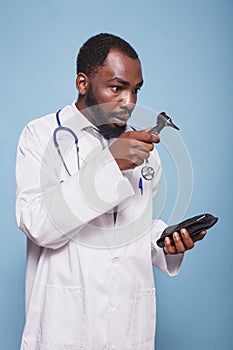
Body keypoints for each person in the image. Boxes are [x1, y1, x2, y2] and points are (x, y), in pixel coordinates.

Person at [16, 33, 206, 350]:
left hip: (128, 331)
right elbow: (38, 225)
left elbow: (134, 231)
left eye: (135, 90)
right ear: (82, 83)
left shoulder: (144, 151)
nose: (129, 102)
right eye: (117, 88)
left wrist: (166, 242)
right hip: (62, 327)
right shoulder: (40, 135)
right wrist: (110, 165)